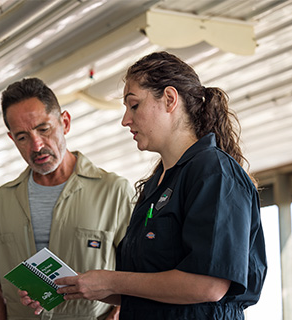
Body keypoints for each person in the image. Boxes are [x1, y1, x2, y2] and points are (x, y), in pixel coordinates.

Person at [22, 51, 267, 319]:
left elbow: (209, 284)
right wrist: (81, 286)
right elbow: (148, 286)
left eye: (134, 105)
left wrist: (111, 281)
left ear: (170, 99)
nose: (125, 119)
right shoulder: (156, 183)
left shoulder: (213, 172)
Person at [0, 77, 134, 320]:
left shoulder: (114, 191)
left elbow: (139, 276)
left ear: (65, 122)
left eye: (43, 129)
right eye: (22, 137)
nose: (36, 145)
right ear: (12, 139)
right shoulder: (2, 200)